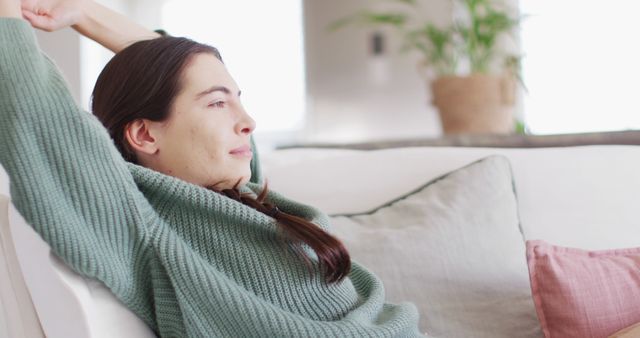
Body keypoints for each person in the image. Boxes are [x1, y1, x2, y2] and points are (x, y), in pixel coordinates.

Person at [0, 0, 426, 336]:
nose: (248, 122)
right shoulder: (144, 228)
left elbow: (172, 66)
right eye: (218, 103)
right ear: (145, 136)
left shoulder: (238, 195)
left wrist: (84, 12)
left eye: (238, 99)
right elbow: (35, 117)